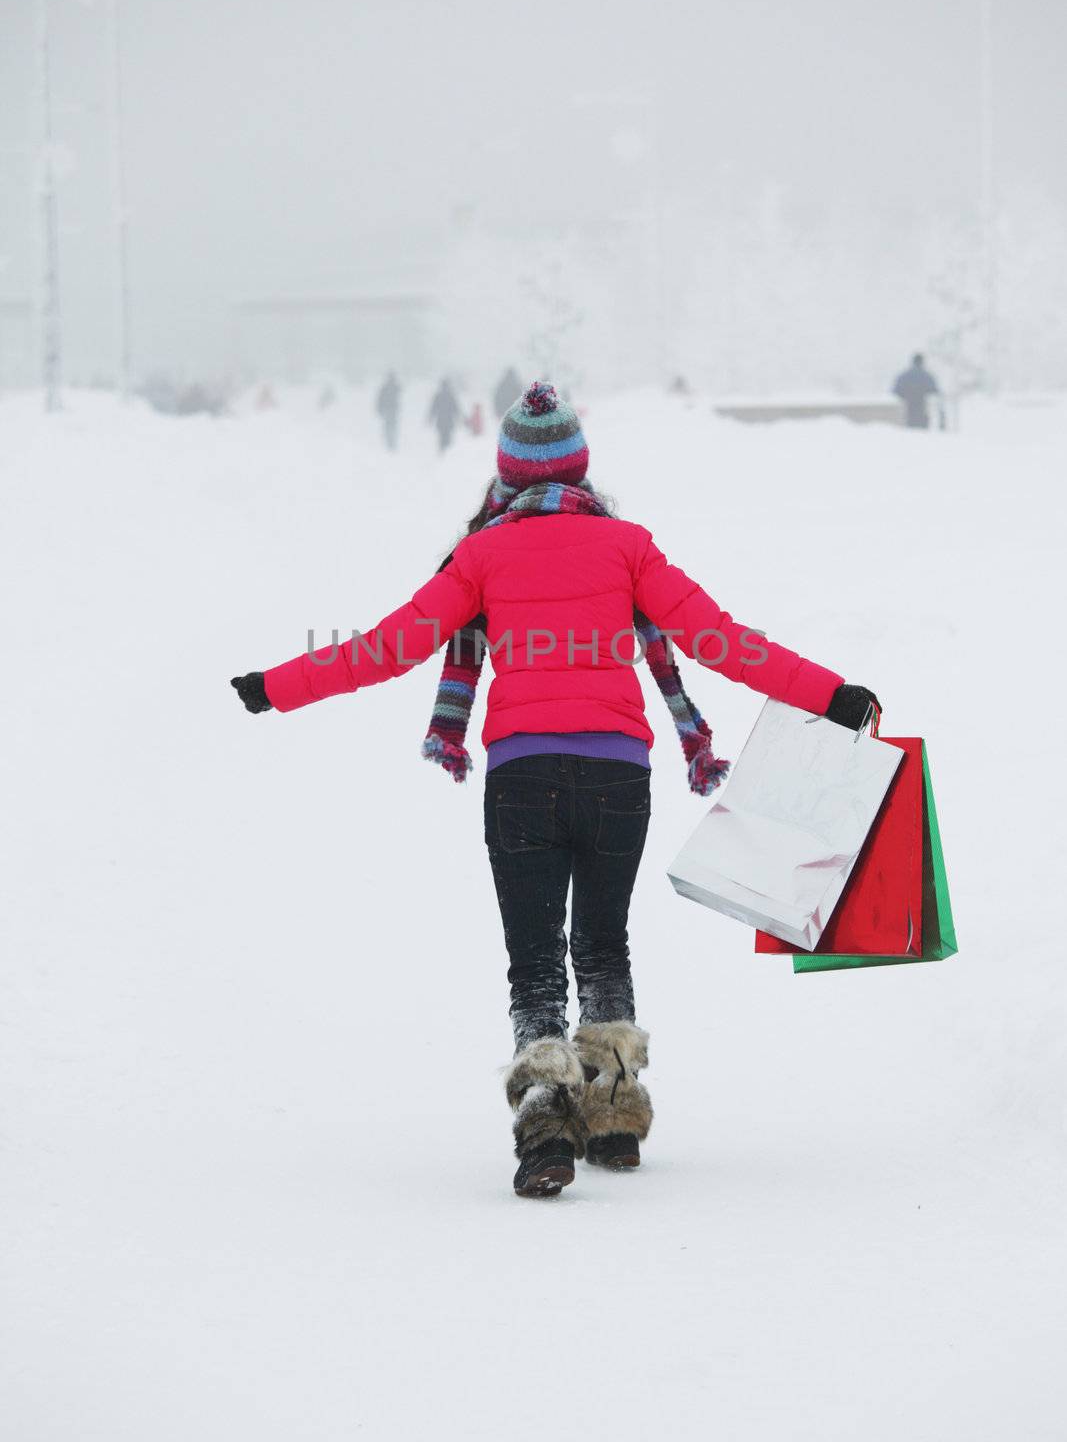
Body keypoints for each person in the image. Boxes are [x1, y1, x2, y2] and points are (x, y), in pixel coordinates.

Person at [231, 381, 879, 1198]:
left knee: (535, 961)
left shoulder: (481, 554)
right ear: (580, 469)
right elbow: (722, 642)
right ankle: (611, 1112)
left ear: (506, 472)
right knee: (603, 943)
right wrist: (833, 695)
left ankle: (546, 1124)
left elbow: (387, 647)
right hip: (617, 776)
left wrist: (275, 686)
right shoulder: (628, 546)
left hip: (522, 778)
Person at [892, 352, 941, 430]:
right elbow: (935, 390)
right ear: (922, 362)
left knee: (909, 427)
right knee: (921, 429)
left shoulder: (904, 375)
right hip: (922, 406)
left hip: (908, 407)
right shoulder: (927, 375)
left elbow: (895, 390)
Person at [427, 376, 461, 452]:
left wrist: (430, 418)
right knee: (447, 435)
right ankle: (446, 450)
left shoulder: (438, 396)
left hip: (441, 420)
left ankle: (443, 449)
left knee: (442, 435)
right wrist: (459, 417)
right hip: (448, 420)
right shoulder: (450, 395)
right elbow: (456, 408)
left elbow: (433, 408)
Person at [376, 370, 401, 451]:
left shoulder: (389, 387)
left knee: (390, 426)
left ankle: (391, 442)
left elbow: (379, 399)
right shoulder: (390, 387)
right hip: (390, 409)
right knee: (390, 426)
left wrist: (379, 409)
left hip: (391, 410)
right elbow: (380, 399)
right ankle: (390, 442)